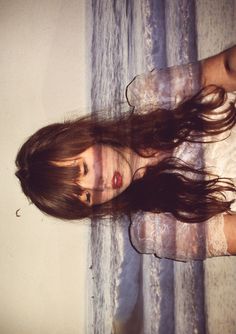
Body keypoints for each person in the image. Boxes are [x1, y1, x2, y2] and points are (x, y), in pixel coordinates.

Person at [15, 45, 236, 261]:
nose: (101, 186)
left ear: (84, 137)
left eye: (84, 169)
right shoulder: (154, 227)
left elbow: (227, 68)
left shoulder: (152, 94)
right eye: (88, 197)